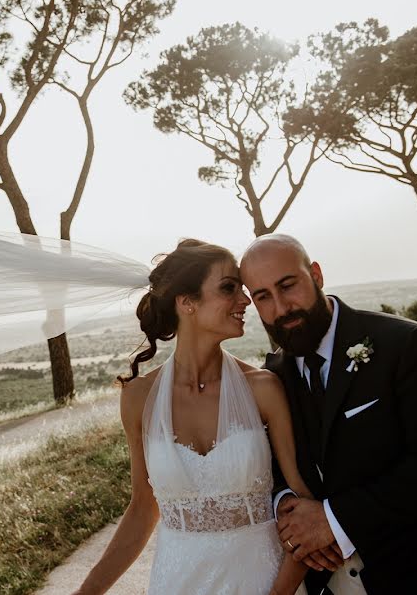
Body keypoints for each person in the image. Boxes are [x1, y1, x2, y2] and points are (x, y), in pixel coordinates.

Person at [240, 234, 417, 595]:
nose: (281, 308)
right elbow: (271, 468)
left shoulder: (410, 345)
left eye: (288, 285)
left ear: (316, 274)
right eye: (263, 296)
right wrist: (286, 505)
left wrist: (333, 521)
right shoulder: (272, 377)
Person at [76, 239, 309, 594]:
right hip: (177, 583)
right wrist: (86, 591)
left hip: (262, 580)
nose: (245, 300)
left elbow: (303, 506)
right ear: (186, 302)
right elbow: (142, 509)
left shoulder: (263, 389)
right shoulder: (138, 399)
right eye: (229, 288)